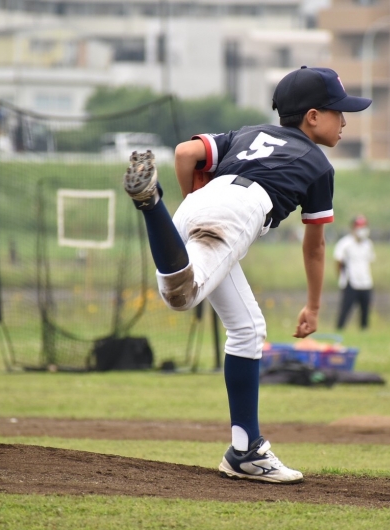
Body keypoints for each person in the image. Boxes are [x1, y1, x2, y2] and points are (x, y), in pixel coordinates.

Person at [122, 66, 371, 484]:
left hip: (200, 202)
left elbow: (185, 154)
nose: (344, 121)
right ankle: (150, 203)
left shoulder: (250, 133)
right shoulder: (318, 164)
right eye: (338, 112)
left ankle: (245, 452)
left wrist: (195, 206)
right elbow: (315, 245)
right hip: (237, 211)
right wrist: (313, 306)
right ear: (312, 116)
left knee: (247, 328)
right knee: (181, 295)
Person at [334, 214, 375, 331]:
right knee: (345, 309)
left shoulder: (368, 244)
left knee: (365, 311)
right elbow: (338, 261)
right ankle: (340, 330)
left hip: (366, 282)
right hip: (350, 282)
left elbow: (370, 260)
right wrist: (342, 278)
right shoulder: (345, 244)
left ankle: (364, 331)